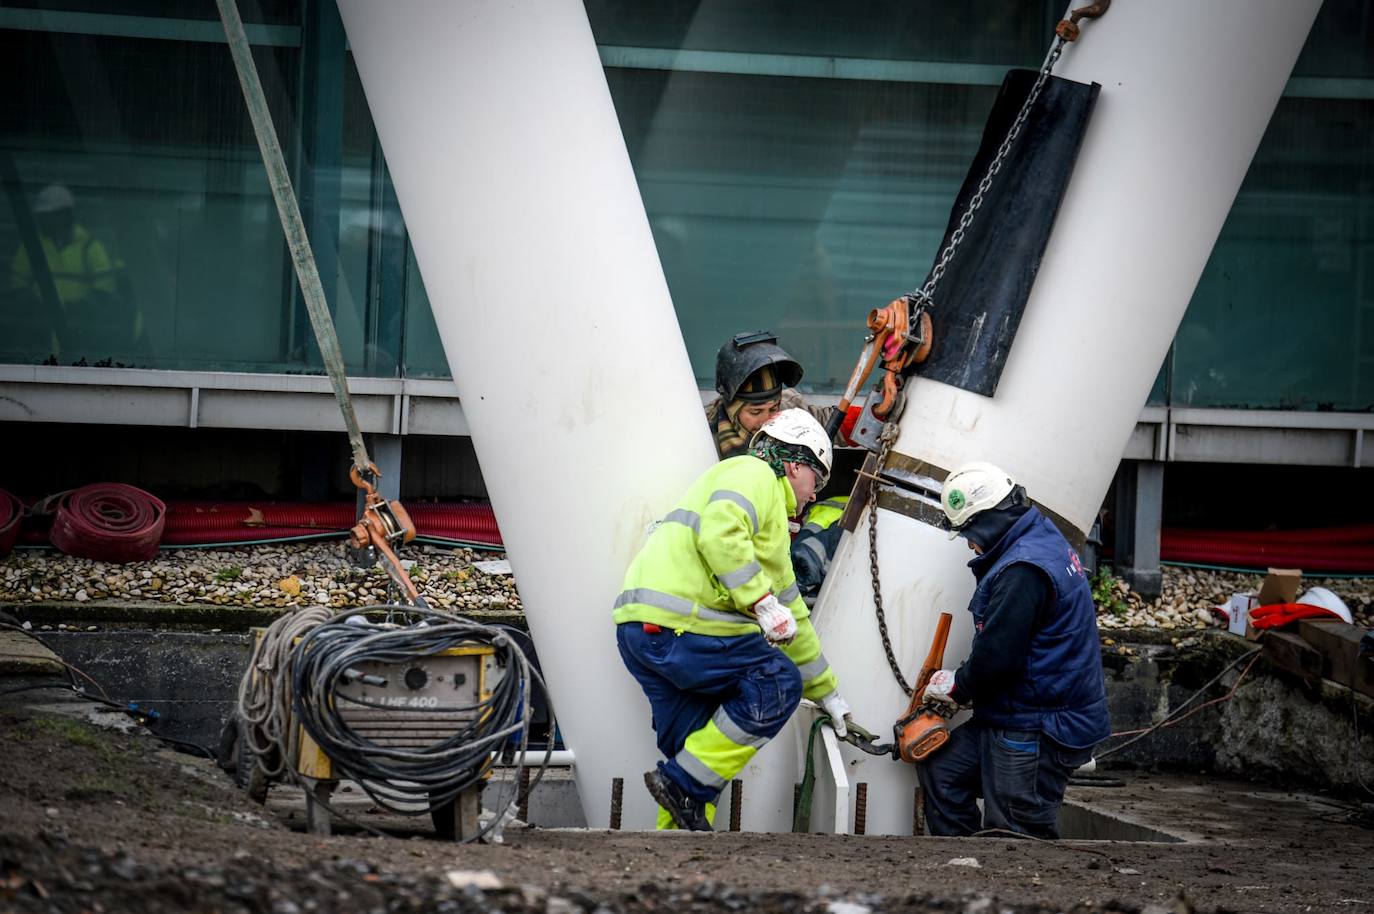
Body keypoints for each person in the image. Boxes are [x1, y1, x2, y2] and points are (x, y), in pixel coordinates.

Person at [613, 408, 852, 831]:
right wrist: (760, 602)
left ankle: (677, 854)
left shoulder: (771, 525)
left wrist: (828, 692)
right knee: (777, 683)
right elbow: (721, 532)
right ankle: (681, 782)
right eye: (817, 479)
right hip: (683, 628)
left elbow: (792, 613)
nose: (815, 494)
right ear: (796, 464)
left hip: (643, 630)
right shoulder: (754, 473)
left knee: (697, 750)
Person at [916, 461, 1111, 838]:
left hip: (1037, 725)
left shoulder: (1023, 570)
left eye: (970, 533)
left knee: (1015, 835)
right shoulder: (1037, 533)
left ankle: (1015, 890)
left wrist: (957, 687)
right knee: (943, 773)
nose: (970, 544)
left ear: (987, 521)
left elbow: (998, 659)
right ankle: (967, 872)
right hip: (1021, 711)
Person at [8, 183, 135, 358]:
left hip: (81, 332)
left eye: (50, 215)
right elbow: (17, 287)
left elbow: (104, 291)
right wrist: (37, 310)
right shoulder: (31, 246)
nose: (43, 221)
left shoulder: (90, 247)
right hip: (38, 331)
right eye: (42, 216)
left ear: (66, 215)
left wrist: (75, 312)